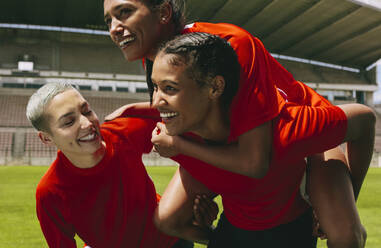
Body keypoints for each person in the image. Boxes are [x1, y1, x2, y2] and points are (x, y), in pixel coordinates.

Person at [103, 0, 372, 246]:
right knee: (169, 218)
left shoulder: (231, 44)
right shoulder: (152, 57)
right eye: (108, 20)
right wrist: (140, 110)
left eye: (124, 12)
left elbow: (255, 161)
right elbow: (187, 101)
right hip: (235, 140)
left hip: (297, 127)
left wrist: (347, 197)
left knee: (343, 234)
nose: (114, 28)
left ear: (163, 12)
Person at [26, 82, 216, 248]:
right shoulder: (50, 192)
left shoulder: (123, 132)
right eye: (69, 122)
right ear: (46, 138)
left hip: (170, 243)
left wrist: (193, 198)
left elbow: (191, 123)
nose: (87, 123)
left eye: (86, 111)